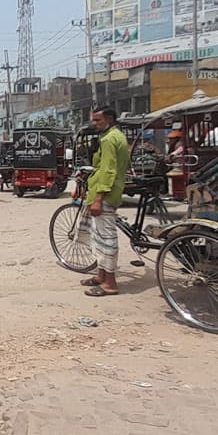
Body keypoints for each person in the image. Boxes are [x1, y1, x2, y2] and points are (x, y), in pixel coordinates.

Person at [80, 106, 131, 297]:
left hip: (106, 194)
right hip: (108, 190)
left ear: (109, 119)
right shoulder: (116, 136)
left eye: (98, 120)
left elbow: (108, 170)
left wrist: (99, 198)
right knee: (99, 236)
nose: (95, 124)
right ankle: (101, 276)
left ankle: (110, 283)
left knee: (107, 238)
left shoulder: (110, 139)